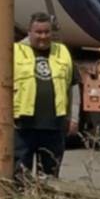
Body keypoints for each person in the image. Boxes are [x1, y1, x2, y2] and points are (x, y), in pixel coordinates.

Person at [12, 12, 79, 187]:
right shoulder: (15, 51)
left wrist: (74, 117)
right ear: (29, 32)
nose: (43, 36)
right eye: (38, 32)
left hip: (54, 127)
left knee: (49, 179)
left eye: (46, 32)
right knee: (20, 176)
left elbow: (73, 85)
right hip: (23, 127)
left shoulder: (62, 51)